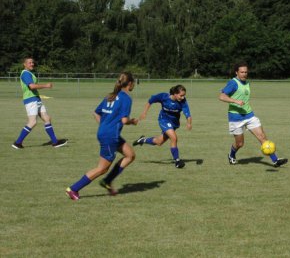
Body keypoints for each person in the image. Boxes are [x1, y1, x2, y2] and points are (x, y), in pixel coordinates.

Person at [66, 72, 138, 200]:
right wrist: (132, 121)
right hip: (110, 136)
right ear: (130, 83)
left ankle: (107, 181)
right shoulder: (126, 98)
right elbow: (124, 120)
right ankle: (73, 189)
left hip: (106, 133)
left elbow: (95, 112)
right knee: (102, 168)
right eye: (135, 83)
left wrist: (104, 125)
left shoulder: (110, 96)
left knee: (130, 155)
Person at [219, 62, 288, 167]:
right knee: (240, 144)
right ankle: (231, 155)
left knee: (262, 137)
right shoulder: (233, 83)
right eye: (242, 72)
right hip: (236, 118)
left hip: (249, 115)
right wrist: (235, 101)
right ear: (236, 72)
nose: (244, 74)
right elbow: (222, 96)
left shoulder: (247, 83)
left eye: (246, 72)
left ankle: (275, 160)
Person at [12, 57, 67, 149]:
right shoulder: (25, 74)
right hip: (31, 100)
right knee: (32, 122)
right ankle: (17, 143)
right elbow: (32, 86)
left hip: (36, 99)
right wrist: (46, 85)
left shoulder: (29, 73)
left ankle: (55, 142)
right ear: (24, 64)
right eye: (29, 63)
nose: (32, 64)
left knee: (47, 118)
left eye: (32, 62)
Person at [133, 85, 192, 168]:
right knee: (174, 138)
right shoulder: (163, 96)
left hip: (174, 123)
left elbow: (188, 114)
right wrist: (144, 112)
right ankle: (177, 161)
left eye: (184, 95)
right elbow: (151, 100)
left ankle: (143, 140)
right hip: (163, 120)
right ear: (175, 93)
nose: (183, 97)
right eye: (181, 95)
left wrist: (189, 123)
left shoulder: (183, 101)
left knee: (159, 142)